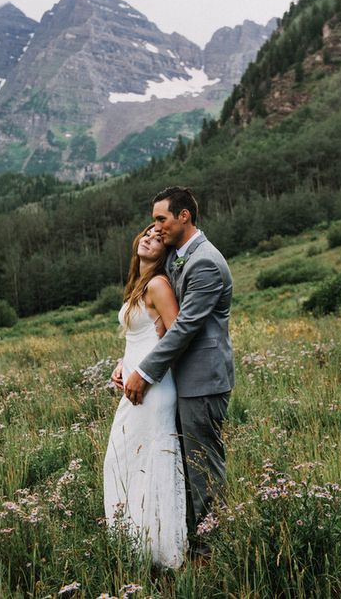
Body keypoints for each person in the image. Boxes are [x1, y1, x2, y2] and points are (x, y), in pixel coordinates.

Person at [122, 186, 234, 555]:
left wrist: (145, 371)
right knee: (180, 465)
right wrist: (127, 360)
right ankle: (182, 538)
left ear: (184, 216)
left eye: (161, 219)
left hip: (202, 381)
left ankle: (210, 549)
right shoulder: (179, 256)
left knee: (202, 466)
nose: (156, 226)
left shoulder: (205, 262)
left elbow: (185, 327)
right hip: (180, 379)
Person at [103, 224, 187, 568]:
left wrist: (146, 374)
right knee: (124, 460)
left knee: (151, 461)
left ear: (164, 251)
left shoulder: (158, 284)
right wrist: (123, 363)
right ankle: (136, 544)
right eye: (147, 233)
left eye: (159, 237)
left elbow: (178, 333)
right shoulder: (138, 284)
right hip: (135, 380)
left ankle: (164, 552)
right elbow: (140, 337)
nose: (152, 236)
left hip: (155, 387)